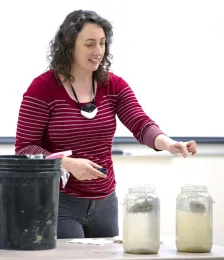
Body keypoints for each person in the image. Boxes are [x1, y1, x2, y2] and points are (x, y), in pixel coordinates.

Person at [15, 10, 197, 239]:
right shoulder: (42, 88)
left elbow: (141, 123)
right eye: (90, 44)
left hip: (105, 203)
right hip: (60, 203)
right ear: (69, 46)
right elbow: (24, 148)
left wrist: (169, 144)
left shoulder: (113, 85)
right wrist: (66, 163)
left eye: (102, 43)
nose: (98, 51)